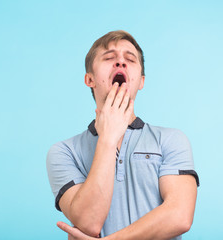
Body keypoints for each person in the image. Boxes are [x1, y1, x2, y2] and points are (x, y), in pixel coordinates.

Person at [46, 30, 199, 240]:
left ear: (141, 81)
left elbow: (180, 216)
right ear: (89, 79)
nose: (120, 62)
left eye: (130, 59)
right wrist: (108, 138)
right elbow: (89, 222)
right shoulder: (64, 152)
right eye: (109, 58)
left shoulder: (171, 140)